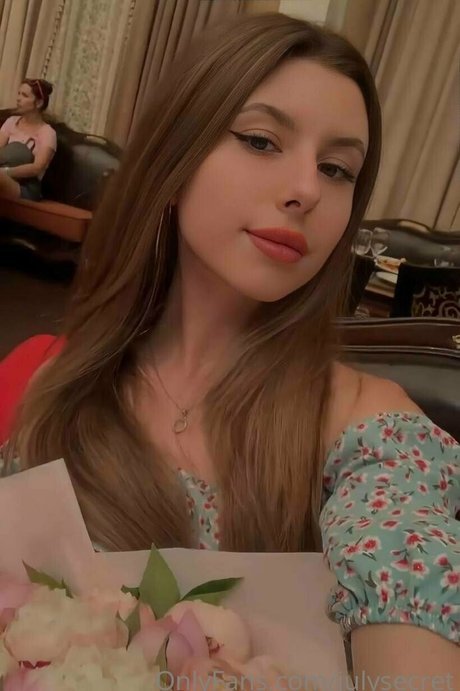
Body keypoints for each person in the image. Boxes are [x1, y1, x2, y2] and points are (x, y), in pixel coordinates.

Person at [0, 13, 458, 686]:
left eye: (337, 169)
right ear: (174, 156)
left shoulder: (369, 428)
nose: (306, 189)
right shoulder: (51, 376)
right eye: (261, 140)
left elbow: (411, 581)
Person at [0, 78, 56, 200]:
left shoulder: (48, 133)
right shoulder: (11, 121)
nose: (18, 99)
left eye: (24, 95)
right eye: (19, 94)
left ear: (39, 103)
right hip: (3, 175)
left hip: (27, 186)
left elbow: (37, 168)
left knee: (20, 151)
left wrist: (5, 172)